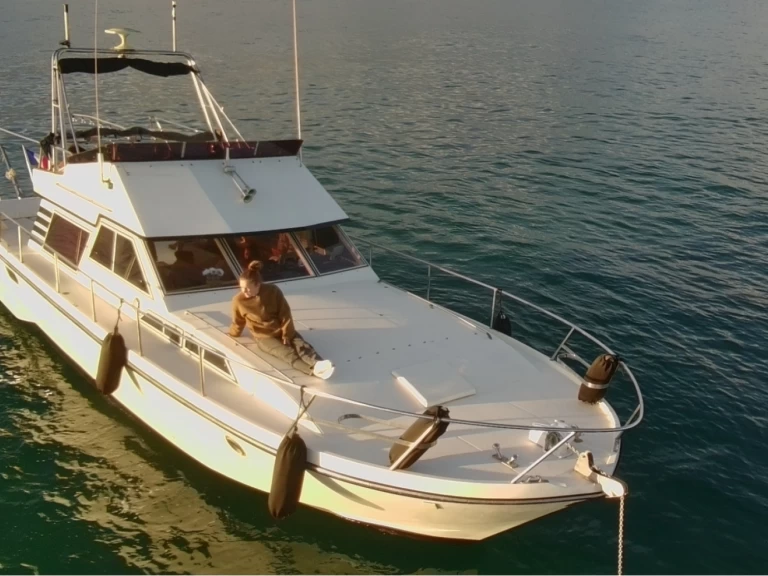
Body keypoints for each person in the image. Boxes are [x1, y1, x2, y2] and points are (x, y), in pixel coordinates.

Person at [229, 261, 335, 380]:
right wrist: (233, 334)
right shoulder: (238, 301)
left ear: (258, 285)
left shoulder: (273, 290)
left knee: (302, 345)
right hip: (264, 336)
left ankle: (318, 363)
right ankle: (313, 371)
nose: (244, 291)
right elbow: (238, 322)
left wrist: (286, 334)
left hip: (281, 328)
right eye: (242, 288)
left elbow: (285, 313)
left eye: (247, 288)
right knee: (286, 354)